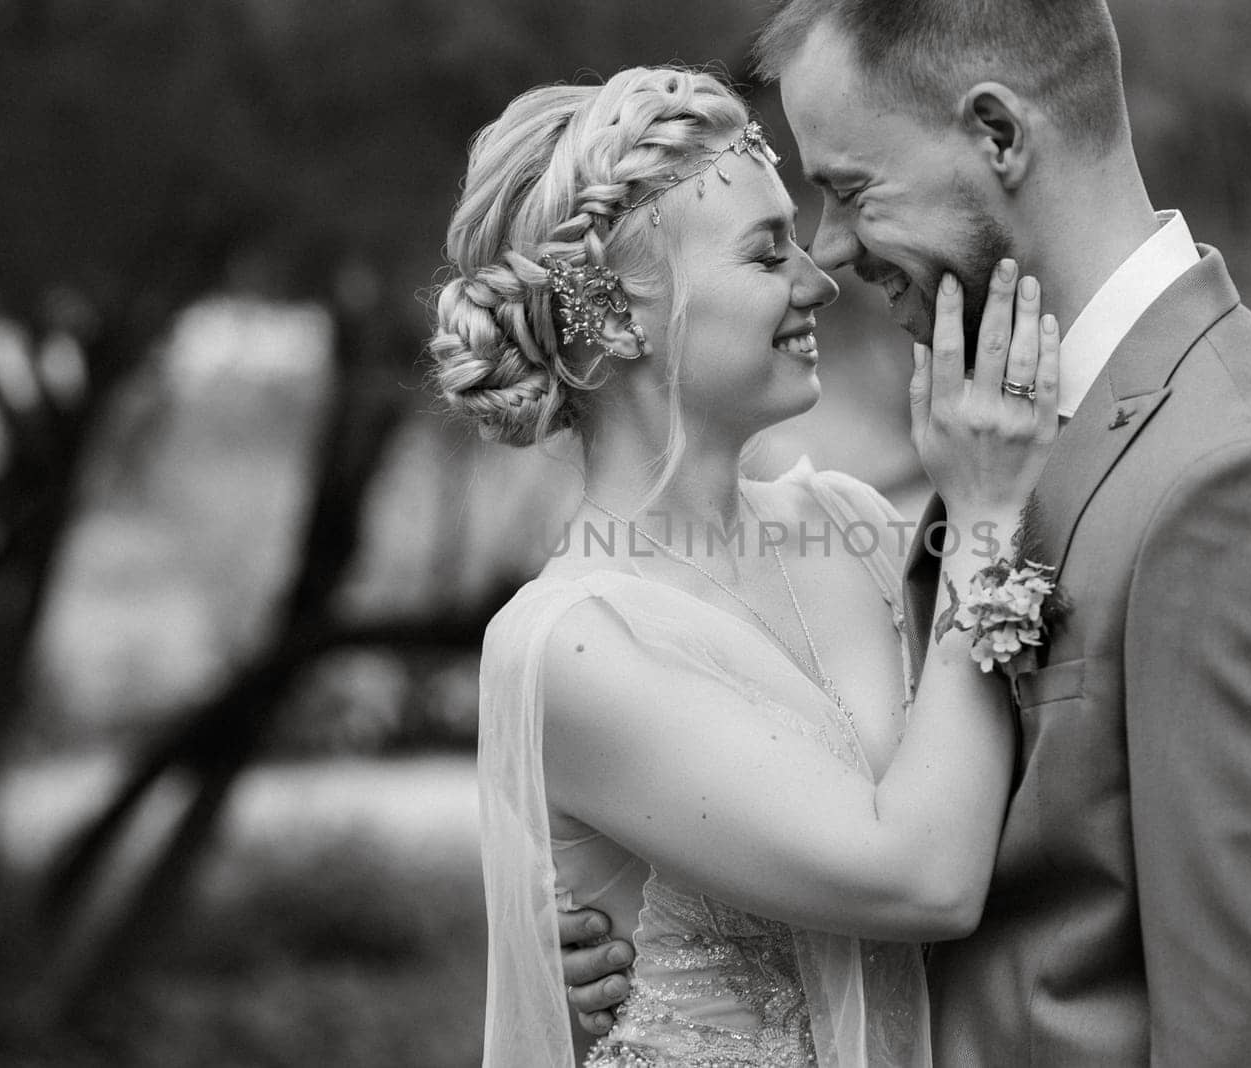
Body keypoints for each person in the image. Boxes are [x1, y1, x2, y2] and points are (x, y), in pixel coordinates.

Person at [564, 3, 1251, 1065]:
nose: (827, 256)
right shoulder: (1018, 438)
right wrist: (673, 949)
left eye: (850, 190)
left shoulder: (1239, 482)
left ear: (999, 134)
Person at [430, 66, 1066, 1066]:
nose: (820, 276)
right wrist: (984, 517)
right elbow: (923, 878)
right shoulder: (576, 644)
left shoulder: (849, 526)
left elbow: (981, 790)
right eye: (769, 252)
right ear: (614, 313)